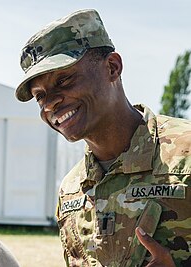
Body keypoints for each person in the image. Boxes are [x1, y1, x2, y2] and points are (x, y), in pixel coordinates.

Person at [15, 9, 191, 267]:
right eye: (40, 96)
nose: (50, 103)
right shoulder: (71, 189)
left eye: (64, 80)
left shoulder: (185, 156)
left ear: (112, 67)